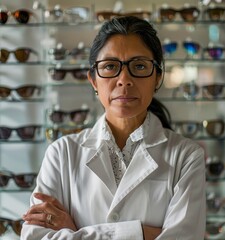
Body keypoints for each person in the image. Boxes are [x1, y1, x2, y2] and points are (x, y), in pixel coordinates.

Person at [21, 16, 206, 240]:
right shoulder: (61, 154)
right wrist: (141, 234)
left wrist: (74, 232)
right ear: (93, 79)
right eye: (110, 66)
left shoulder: (186, 156)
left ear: (157, 77)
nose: (124, 80)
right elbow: (34, 237)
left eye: (139, 66)